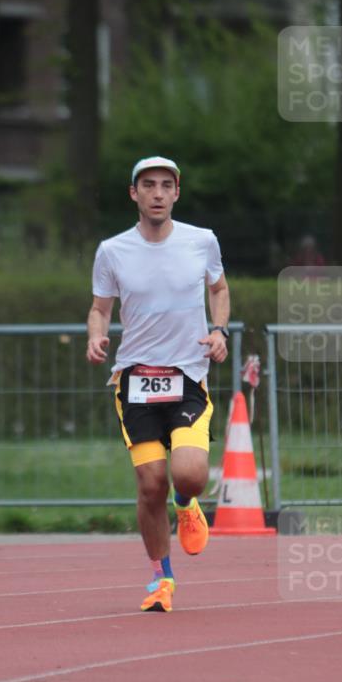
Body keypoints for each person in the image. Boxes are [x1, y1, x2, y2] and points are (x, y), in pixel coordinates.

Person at [86, 156, 230, 613]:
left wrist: (220, 331)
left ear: (176, 193)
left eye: (166, 185)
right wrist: (95, 334)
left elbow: (220, 289)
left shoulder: (201, 241)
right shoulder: (112, 250)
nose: (157, 193)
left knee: (187, 474)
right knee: (151, 486)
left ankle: (187, 504)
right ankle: (161, 578)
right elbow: (100, 308)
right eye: (148, 185)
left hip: (187, 375)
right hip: (135, 381)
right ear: (134, 193)